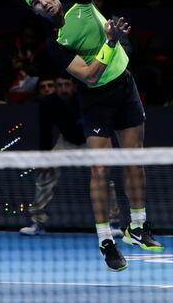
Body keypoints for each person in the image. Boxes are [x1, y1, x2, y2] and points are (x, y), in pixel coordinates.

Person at [22, 0, 163, 272]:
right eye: (35, 4)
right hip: (97, 99)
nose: (43, 3)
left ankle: (137, 225)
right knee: (100, 170)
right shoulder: (54, 44)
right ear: (36, 12)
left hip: (125, 85)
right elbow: (88, 74)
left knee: (135, 158)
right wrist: (111, 41)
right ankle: (106, 240)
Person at [20, 72, 122, 238]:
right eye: (59, 85)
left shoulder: (86, 99)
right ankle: (37, 222)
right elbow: (45, 132)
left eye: (67, 85)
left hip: (90, 139)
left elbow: (102, 123)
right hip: (66, 141)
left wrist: (102, 147)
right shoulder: (48, 103)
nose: (63, 89)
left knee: (103, 175)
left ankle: (113, 222)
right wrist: (44, 159)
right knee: (45, 174)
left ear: (74, 86)